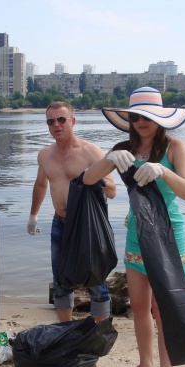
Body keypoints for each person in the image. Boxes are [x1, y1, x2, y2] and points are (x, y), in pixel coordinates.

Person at [84, 87, 185, 367]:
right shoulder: (123, 149)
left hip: (169, 235)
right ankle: (146, 365)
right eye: (135, 116)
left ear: (160, 118)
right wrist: (107, 160)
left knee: (166, 310)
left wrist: (164, 170)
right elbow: (89, 180)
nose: (141, 122)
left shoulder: (175, 148)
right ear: (127, 119)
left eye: (147, 116)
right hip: (136, 235)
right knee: (139, 306)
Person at [28, 101, 116, 323]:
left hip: (86, 227)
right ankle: (65, 331)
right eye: (50, 121)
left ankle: (99, 333)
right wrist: (33, 216)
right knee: (61, 281)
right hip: (60, 224)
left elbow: (113, 191)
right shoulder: (45, 155)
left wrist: (94, 179)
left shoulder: (90, 151)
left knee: (96, 281)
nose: (56, 124)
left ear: (73, 122)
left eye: (61, 119)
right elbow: (40, 185)